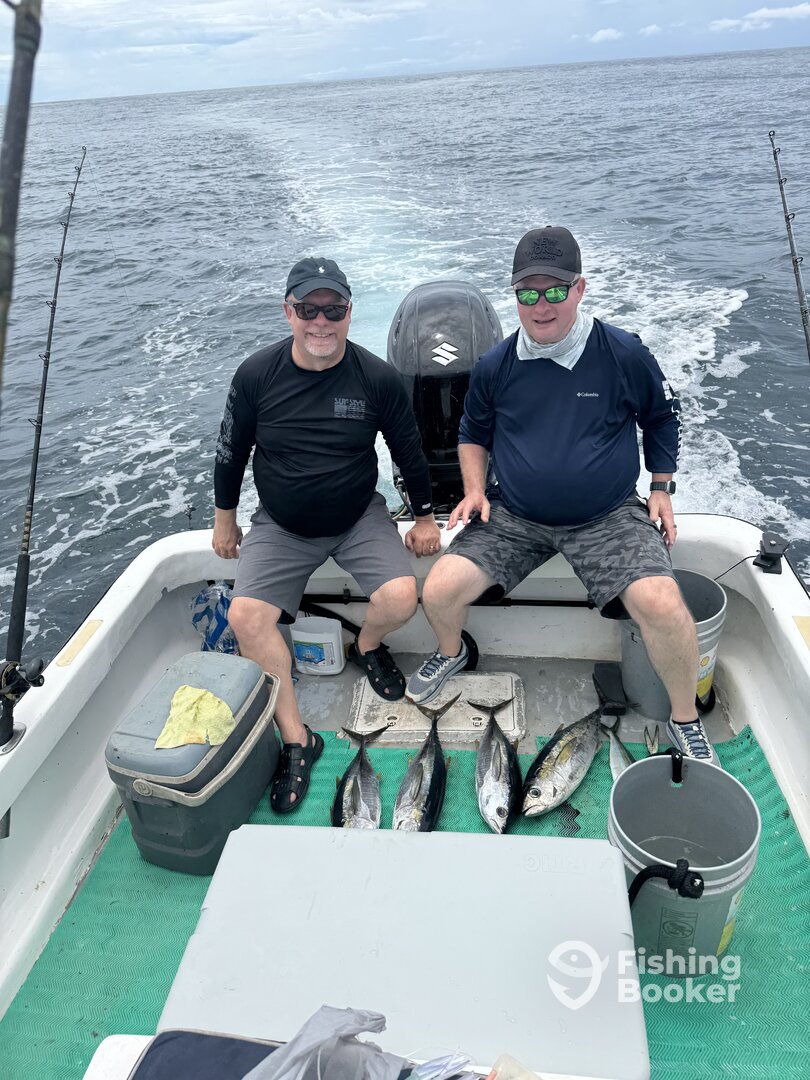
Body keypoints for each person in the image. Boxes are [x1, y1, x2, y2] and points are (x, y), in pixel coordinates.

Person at [406, 226, 718, 765]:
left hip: (606, 515)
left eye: (555, 290)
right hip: (515, 515)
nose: (541, 305)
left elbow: (661, 417)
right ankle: (452, 653)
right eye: (527, 293)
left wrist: (661, 487)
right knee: (438, 589)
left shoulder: (622, 352)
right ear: (514, 295)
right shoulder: (495, 364)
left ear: (580, 288)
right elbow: (472, 433)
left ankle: (684, 718)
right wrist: (475, 490)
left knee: (664, 604)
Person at [213, 257, 441, 812]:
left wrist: (425, 517)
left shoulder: (376, 378)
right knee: (246, 617)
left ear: (349, 313)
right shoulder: (255, 375)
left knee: (401, 596)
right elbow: (230, 451)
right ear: (288, 311)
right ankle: (298, 739)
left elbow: (408, 451)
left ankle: (366, 645)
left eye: (333, 309)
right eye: (308, 309)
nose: (321, 321)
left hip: (358, 515)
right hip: (282, 524)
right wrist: (225, 517)